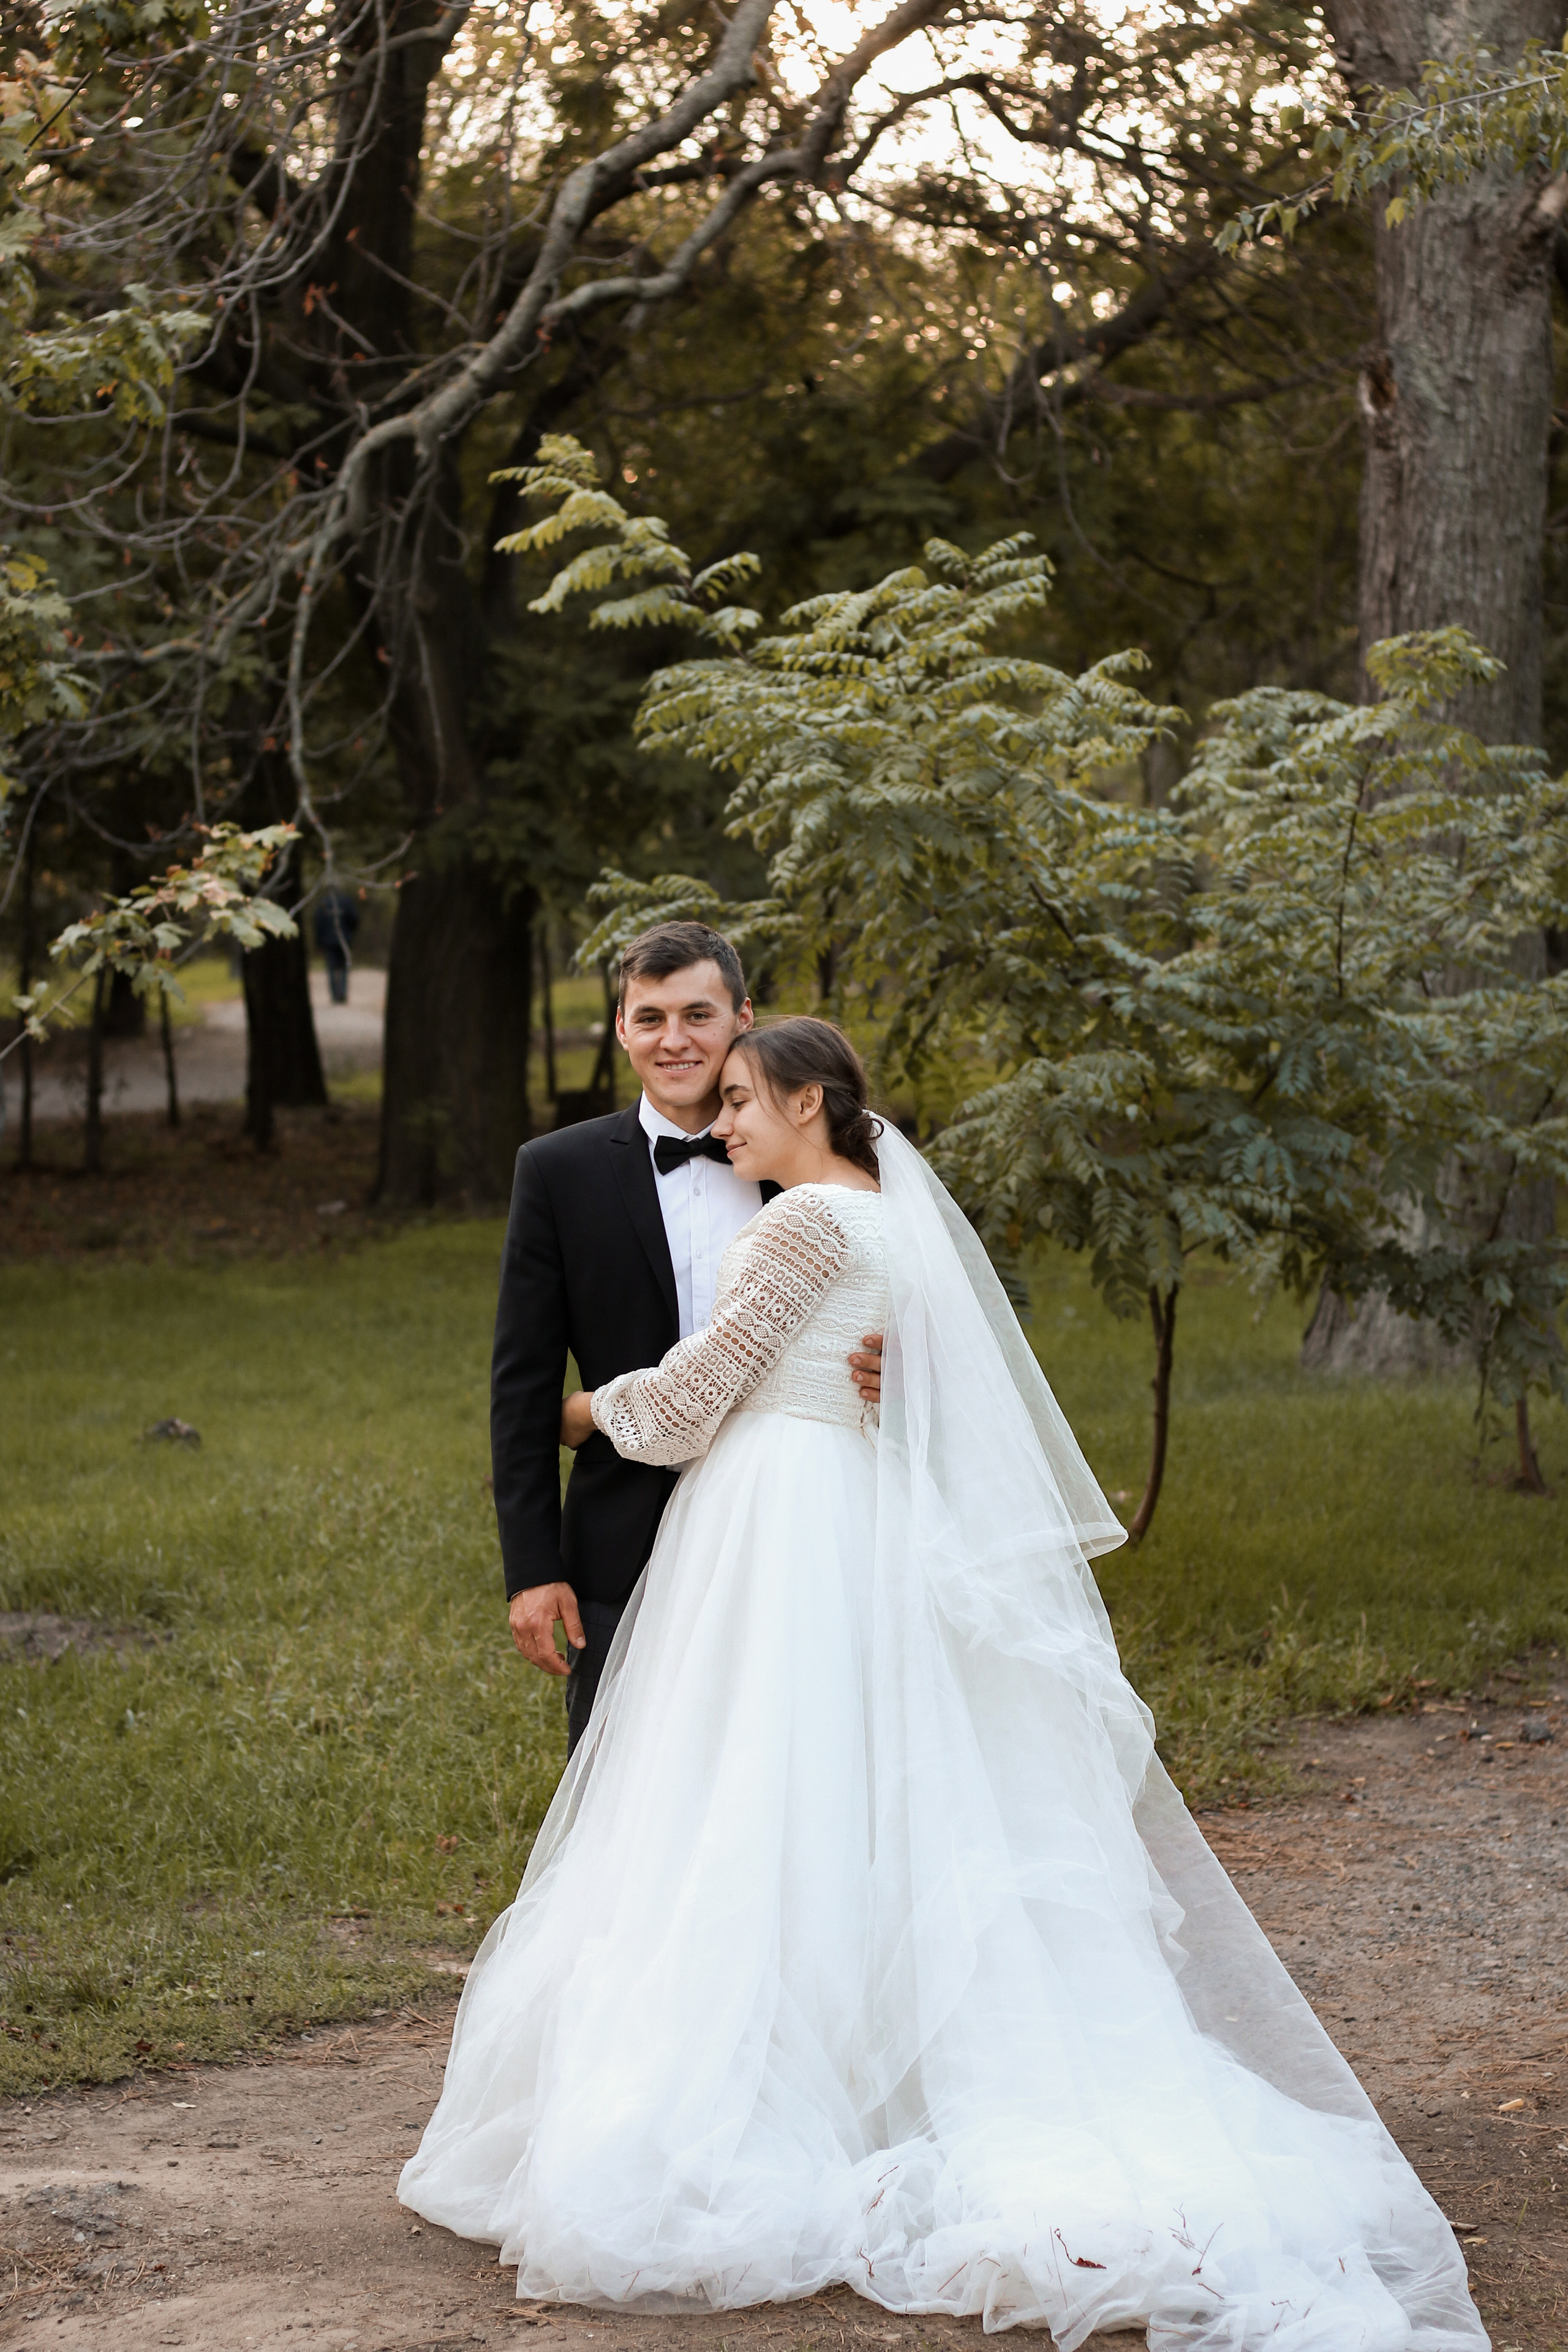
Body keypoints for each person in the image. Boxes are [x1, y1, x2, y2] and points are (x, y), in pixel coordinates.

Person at [402, 1017, 1483, 2351]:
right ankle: (881, 2079)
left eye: (742, 1101)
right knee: (869, 1788)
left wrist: (570, 1412)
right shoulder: (898, 1224)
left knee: (755, 1789)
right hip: (861, 1521)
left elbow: (688, 1406)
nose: (725, 1126)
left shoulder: (799, 1226)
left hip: (780, 1525)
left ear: (807, 1101)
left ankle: (772, 2092)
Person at [490, 922, 881, 1753]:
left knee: (800, 1757)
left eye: (698, 1015)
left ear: (742, 1017)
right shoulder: (557, 1172)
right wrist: (532, 1570)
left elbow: (908, 1302)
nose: (676, 1040)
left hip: (799, 1525)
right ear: (623, 1028)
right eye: (651, 1018)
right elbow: (520, 1384)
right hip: (621, 1532)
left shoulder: (815, 1163)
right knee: (625, 1790)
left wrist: (908, 1365)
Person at [312, 885, 360, 1005]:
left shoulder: (323, 903)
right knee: (344, 967)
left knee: (332, 968)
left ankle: (335, 995)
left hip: (329, 941)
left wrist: (319, 942)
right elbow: (355, 919)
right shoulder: (346, 902)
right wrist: (350, 933)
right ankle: (342, 993)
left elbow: (318, 924)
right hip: (344, 940)